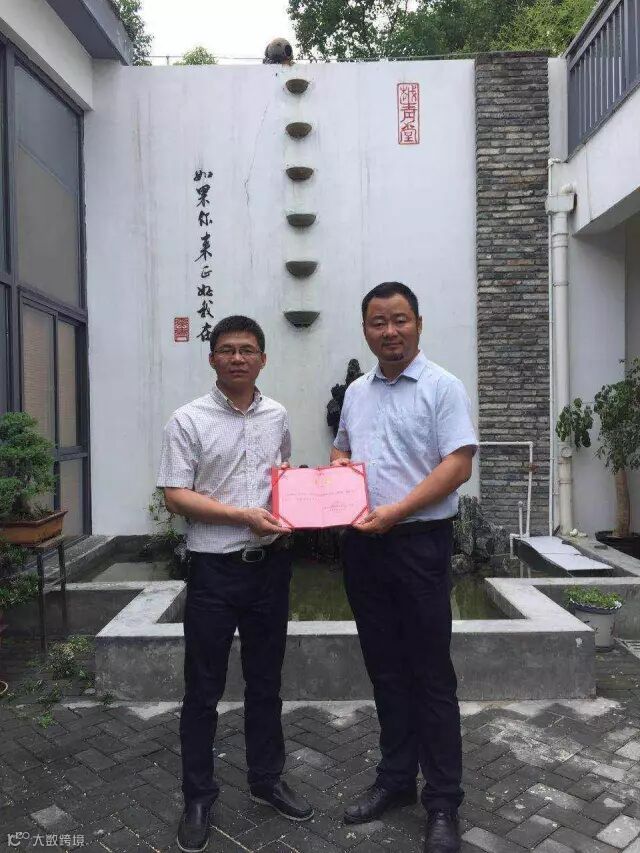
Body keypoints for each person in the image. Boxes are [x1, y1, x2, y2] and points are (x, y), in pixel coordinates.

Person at [157, 315, 313, 853]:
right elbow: (175, 495)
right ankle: (198, 797)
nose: (238, 358)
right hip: (214, 571)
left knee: (266, 683)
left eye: (248, 349)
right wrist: (243, 516)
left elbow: (280, 475)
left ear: (263, 359)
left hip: (270, 568)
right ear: (213, 359)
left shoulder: (277, 415)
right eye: (227, 349)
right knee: (203, 690)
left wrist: (301, 500)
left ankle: (267, 780)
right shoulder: (188, 419)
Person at [331, 283, 477, 853]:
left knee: (431, 675)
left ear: (418, 323)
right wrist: (334, 475)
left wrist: (395, 511)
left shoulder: (442, 386)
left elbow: (458, 465)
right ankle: (395, 781)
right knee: (385, 671)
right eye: (378, 322)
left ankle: (442, 801)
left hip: (419, 545)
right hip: (364, 548)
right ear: (365, 329)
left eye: (399, 320)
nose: (389, 331)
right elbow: (343, 450)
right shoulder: (356, 393)